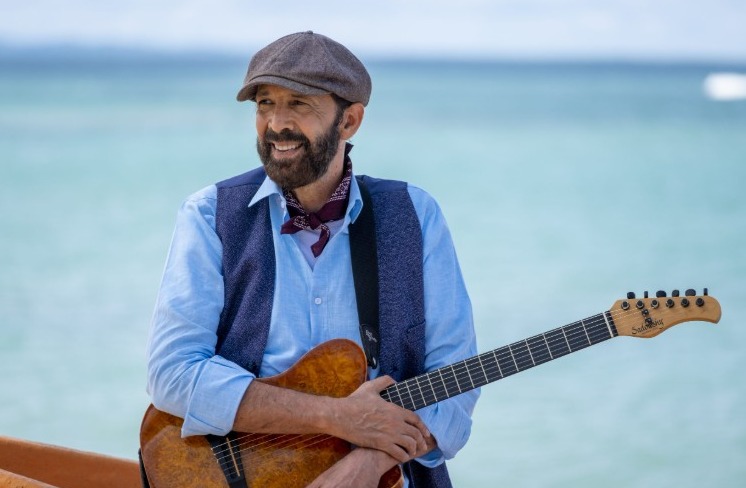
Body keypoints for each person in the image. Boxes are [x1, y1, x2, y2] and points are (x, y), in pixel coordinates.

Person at [146, 31, 479, 488]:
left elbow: (455, 381)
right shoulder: (209, 215)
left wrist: (369, 463)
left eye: (299, 104)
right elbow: (173, 373)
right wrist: (336, 417)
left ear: (350, 121)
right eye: (265, 103)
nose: (276, 123)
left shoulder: (415, 215)